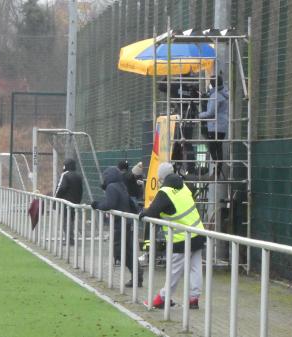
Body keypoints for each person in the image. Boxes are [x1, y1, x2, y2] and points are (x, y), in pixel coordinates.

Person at [140, 162, 204, 309]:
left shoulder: (165, 192)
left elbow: (151, 212)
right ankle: (193, 299)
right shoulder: (183, 186)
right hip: (198, 232)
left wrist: (143, 212)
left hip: (181, 238)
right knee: (195, 268)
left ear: (161, 178)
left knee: (174, 271)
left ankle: (162, 298)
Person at [91, 166, 143, 288]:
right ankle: (137, 276)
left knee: (120, 252)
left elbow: (110, 204)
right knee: (128, 251)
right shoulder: (121, 186)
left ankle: (137, 274)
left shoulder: (112, 187)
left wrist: (96, 204)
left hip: (120, 224)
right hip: (127, 222)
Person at [199, 75, 229, 180]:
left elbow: (211, 113)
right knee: (218, 148)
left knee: (212, 148)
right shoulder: (224, 93)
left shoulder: (215, 95)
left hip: (214, 126)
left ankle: (216, 172)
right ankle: (217, 172)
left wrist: (200, 115)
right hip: (222, 126)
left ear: (212, 84)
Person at [54, 158, 83, 244]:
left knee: (65, 221)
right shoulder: (78, 176)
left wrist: (55, 199)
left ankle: (69, 239)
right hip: (75, 202)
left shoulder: (65, 175)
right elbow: (80, 190)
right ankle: (70, 238)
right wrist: (78, 200)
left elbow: (60, 188)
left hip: (65, 202)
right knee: (71, 220)